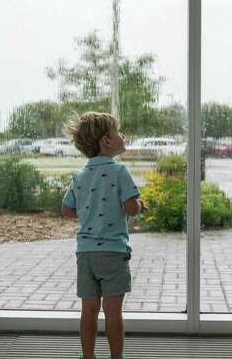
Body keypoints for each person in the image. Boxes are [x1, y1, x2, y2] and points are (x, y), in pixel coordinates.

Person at [61, 112, 146, 359]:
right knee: (112, 311)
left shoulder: (80, 175)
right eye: (118, 132)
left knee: (88, 310)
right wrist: (140, 204)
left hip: (85, 254)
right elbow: (131, 208)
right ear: (106, 142)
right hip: (112, 253)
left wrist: (91, 210)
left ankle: (88, 357)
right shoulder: (120, 171)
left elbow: (66, 210)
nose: (123, 136)